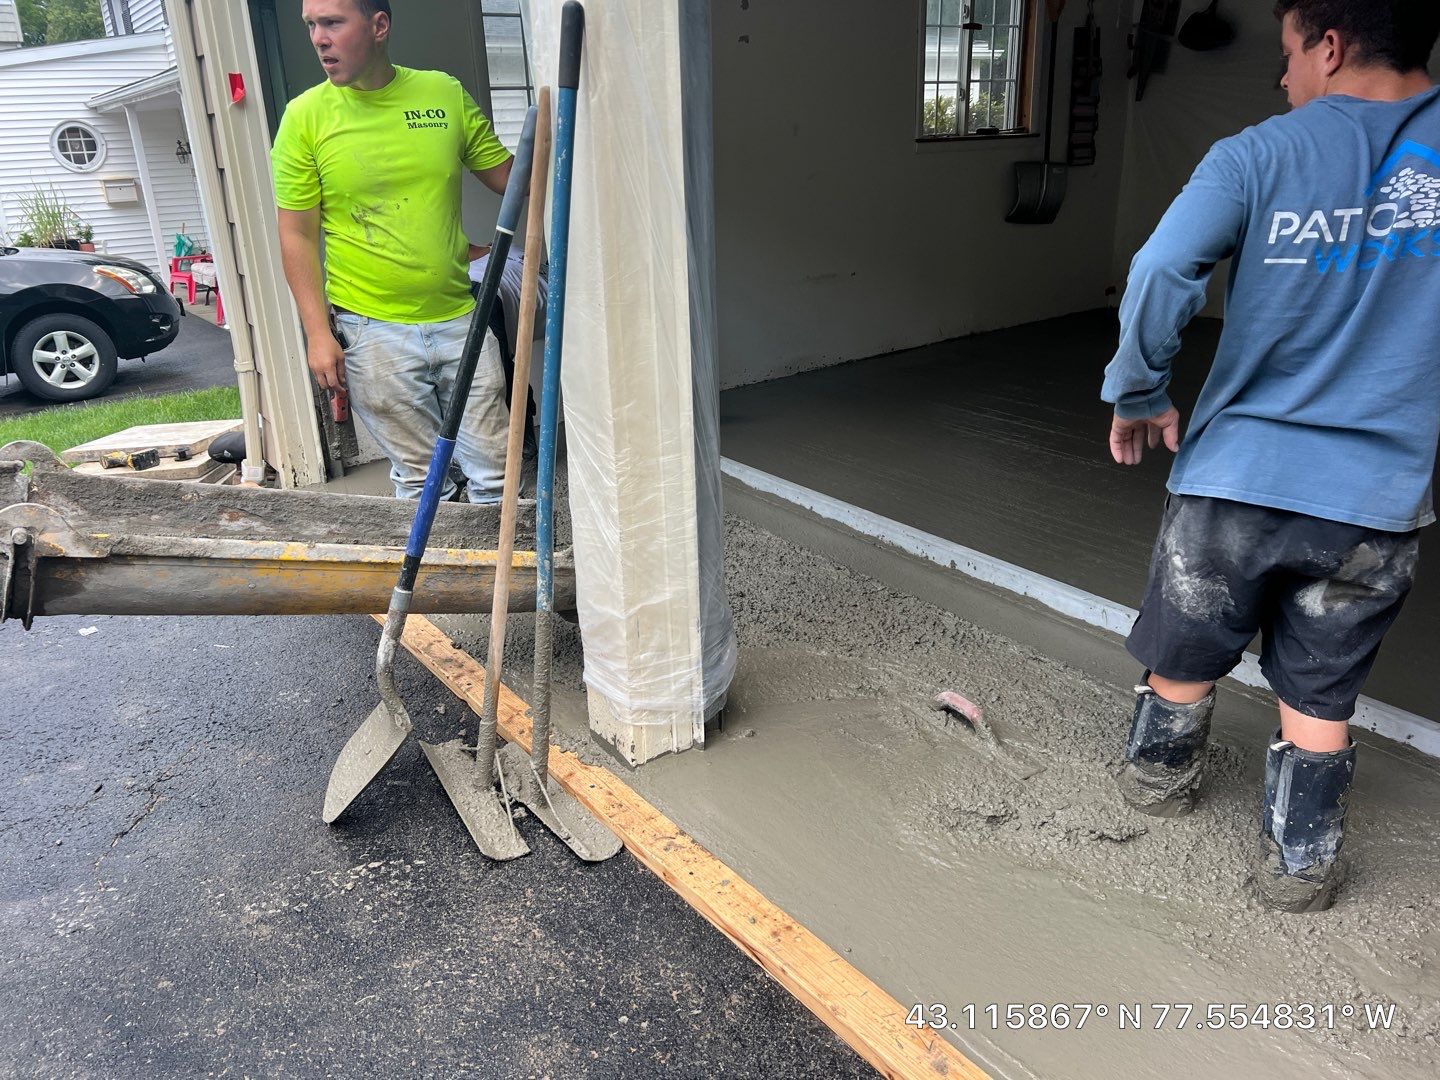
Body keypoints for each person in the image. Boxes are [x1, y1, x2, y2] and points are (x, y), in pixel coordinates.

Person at [1102, 0, 1440, 912]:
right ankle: (1300, 866)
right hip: (1376, 496)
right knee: (1323, 688)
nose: (1284, 81)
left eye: (1287, 57)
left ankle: (1157, 782)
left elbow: (1161, 271)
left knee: (1188, 641)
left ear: (1328, 48)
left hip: (1236, 479)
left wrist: (1140, 392)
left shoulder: (1257, 153)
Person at [271, 0, 515, 503]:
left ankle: (500, 580)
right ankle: (436, 581)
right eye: (311, 26)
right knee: (424, 483)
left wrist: (562, 136)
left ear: (378, 26)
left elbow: (509, 181)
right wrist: (319, 334)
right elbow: (297, 235)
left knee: (497, 475)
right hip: (372, 331)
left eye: (333, 23)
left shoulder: (440, 94)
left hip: (459, 319)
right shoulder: (305, 118)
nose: (319, 38)